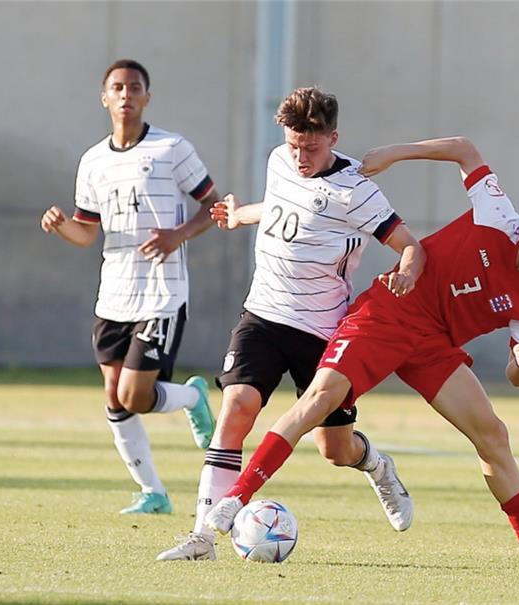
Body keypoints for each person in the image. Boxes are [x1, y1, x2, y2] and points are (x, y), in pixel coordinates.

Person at [204, 136, 519, 569]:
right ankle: (235, 499)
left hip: (434, 346)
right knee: (320, 402)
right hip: (391, 310)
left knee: (492, 435)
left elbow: (516, 376)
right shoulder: (498, 213)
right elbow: (465, 149)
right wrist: (395, 155)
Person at [156, 87, 425, 561]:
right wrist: (241, 215)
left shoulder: (356, 189)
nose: (300, 156)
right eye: (294, 144)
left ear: (333, 137)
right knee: (236, 407)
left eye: (312, 147)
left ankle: (378, 466)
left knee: (334, 448)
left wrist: (405, 271)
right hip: (263, 312)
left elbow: (411, 245)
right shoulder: (280, 158)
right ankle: (202, 537)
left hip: (323, 331)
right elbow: (284, 206)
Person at [40, 59, 217, 515]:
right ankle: (153, 492)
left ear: (146, 97)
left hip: (162, 292)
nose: (125, 95)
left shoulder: (172, 149)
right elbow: (86, 233)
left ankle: (194, 396)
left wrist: (177, 235)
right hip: (114, 293)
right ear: (105, 98)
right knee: (114, 398)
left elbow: (212, 206)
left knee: (136, 396)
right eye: (117, 88)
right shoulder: (93, 161)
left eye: (134, 87)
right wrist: (61, 226)